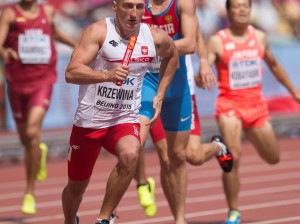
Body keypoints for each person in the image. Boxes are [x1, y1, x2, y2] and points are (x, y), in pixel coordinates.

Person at [61, 0, 179, 223]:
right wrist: (107, 75)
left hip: (124, 118)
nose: (134, 13)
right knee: (76, 188)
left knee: (130, 154)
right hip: (90, 122)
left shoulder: (152, 37)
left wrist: (160, 94)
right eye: (127, 6)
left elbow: (172, 55)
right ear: (114, 6)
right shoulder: (98, 31)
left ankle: (104, 218)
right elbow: (71, 73)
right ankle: (69, 220)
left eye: (138, 7)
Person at [134, 0, 233, 222]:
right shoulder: (138, 5)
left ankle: (218, 147)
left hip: (181, 85)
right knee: (162, 155)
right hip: (147, 85)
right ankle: (176, 216)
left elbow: (193, 36)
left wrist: (205, 61)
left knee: (189, 155)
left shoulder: (182, 4)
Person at [205, 0, 300, 223]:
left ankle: (230, 144)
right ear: (228, 11)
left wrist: (293, 91)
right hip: (229, 106)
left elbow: (274, 65)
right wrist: (203, 71)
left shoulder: (259, 37)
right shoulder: (218, 40)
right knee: (233, 158)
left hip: (256, 107)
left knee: (273, 157)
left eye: (245, 7)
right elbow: (206, 63)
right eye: (236, 6)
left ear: (250, 10)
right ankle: (234, 211)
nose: (241, 10)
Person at [0, 0, 77, 215]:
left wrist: (76, 44)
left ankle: (29, 192)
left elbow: (56, 34)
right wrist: (4, 51)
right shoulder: (10, 14)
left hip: (42, 81)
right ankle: (37, 152)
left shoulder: (48, 11)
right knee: (27, 140)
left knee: (33, 131)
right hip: (16, 82)